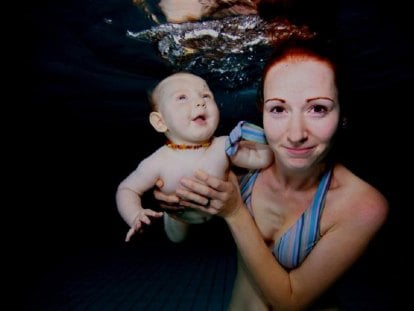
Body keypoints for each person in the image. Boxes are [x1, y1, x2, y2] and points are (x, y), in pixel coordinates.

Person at [155, 39, 389, 310]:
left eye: (318, 109)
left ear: (343, 115)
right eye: (278, 109)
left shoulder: (362, 205)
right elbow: (177, 236)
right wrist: (176, 206)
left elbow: (291, 301)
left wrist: (234, 211)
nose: (296, 134)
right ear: (262, 111)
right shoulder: (242, 159)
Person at [116, 72, 273, 243]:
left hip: (221, 216)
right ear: (160, 122)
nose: (200, 102)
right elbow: (127, 189)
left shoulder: (223, 145)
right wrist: (135, 214)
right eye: (182, 97)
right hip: (181, 216)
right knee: (177, 239)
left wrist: (259, 138)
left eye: (206, 95)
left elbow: (262, 160)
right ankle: (173, 220)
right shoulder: (157, 162)